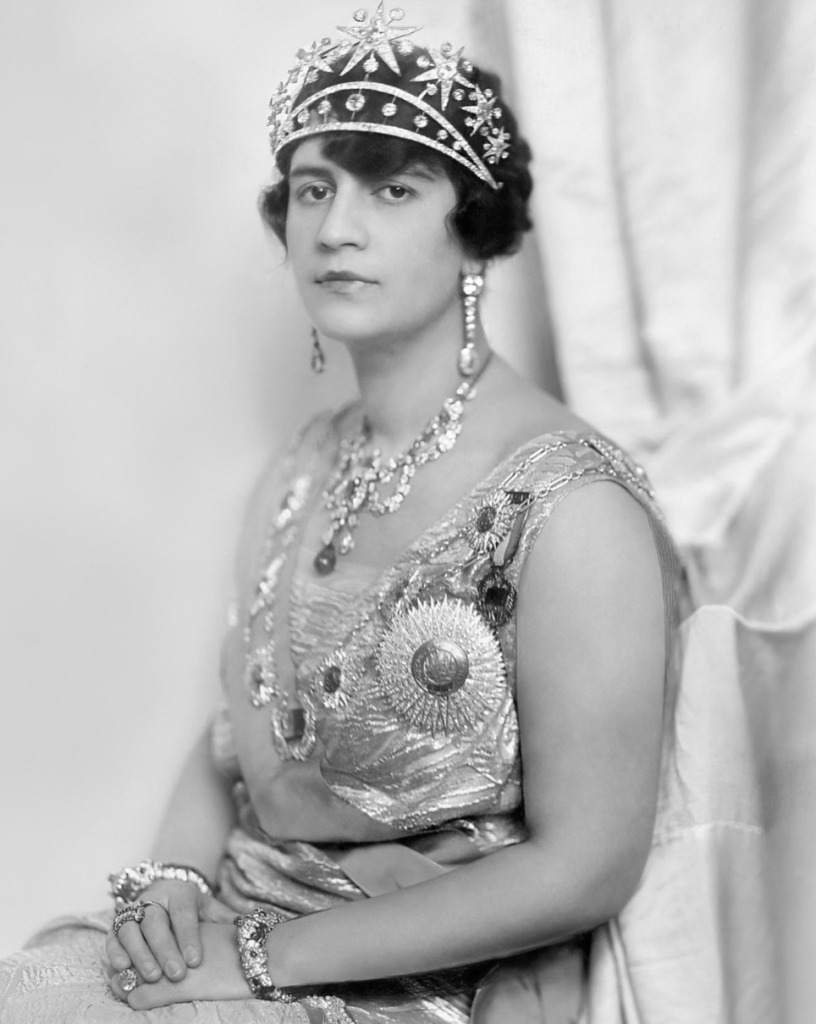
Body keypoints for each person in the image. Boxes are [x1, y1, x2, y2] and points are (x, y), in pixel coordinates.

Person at [0, 6, 688, 1022]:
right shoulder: (303, 464)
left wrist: (261, 959)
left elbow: (587, 864)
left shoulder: (572, 505)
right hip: (247, 915)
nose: (335, 227)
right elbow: (237, 732)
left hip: (433, 980)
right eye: (313, 189)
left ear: (475, 231)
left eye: (392, 189)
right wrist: (177, 887)